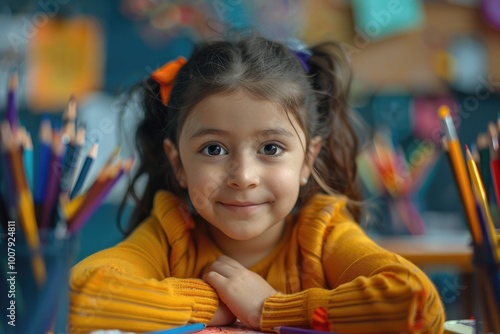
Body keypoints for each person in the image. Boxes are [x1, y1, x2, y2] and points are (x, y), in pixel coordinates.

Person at [69, 32, 445, 333]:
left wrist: (270, 308)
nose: (244, 177)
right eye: (213, 149)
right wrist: (211, 301)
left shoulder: (322, 233)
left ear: (307, 160)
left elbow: (415, 303)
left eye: (271, 147)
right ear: (177, 163)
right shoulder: (171, 232)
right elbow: (80, 295)